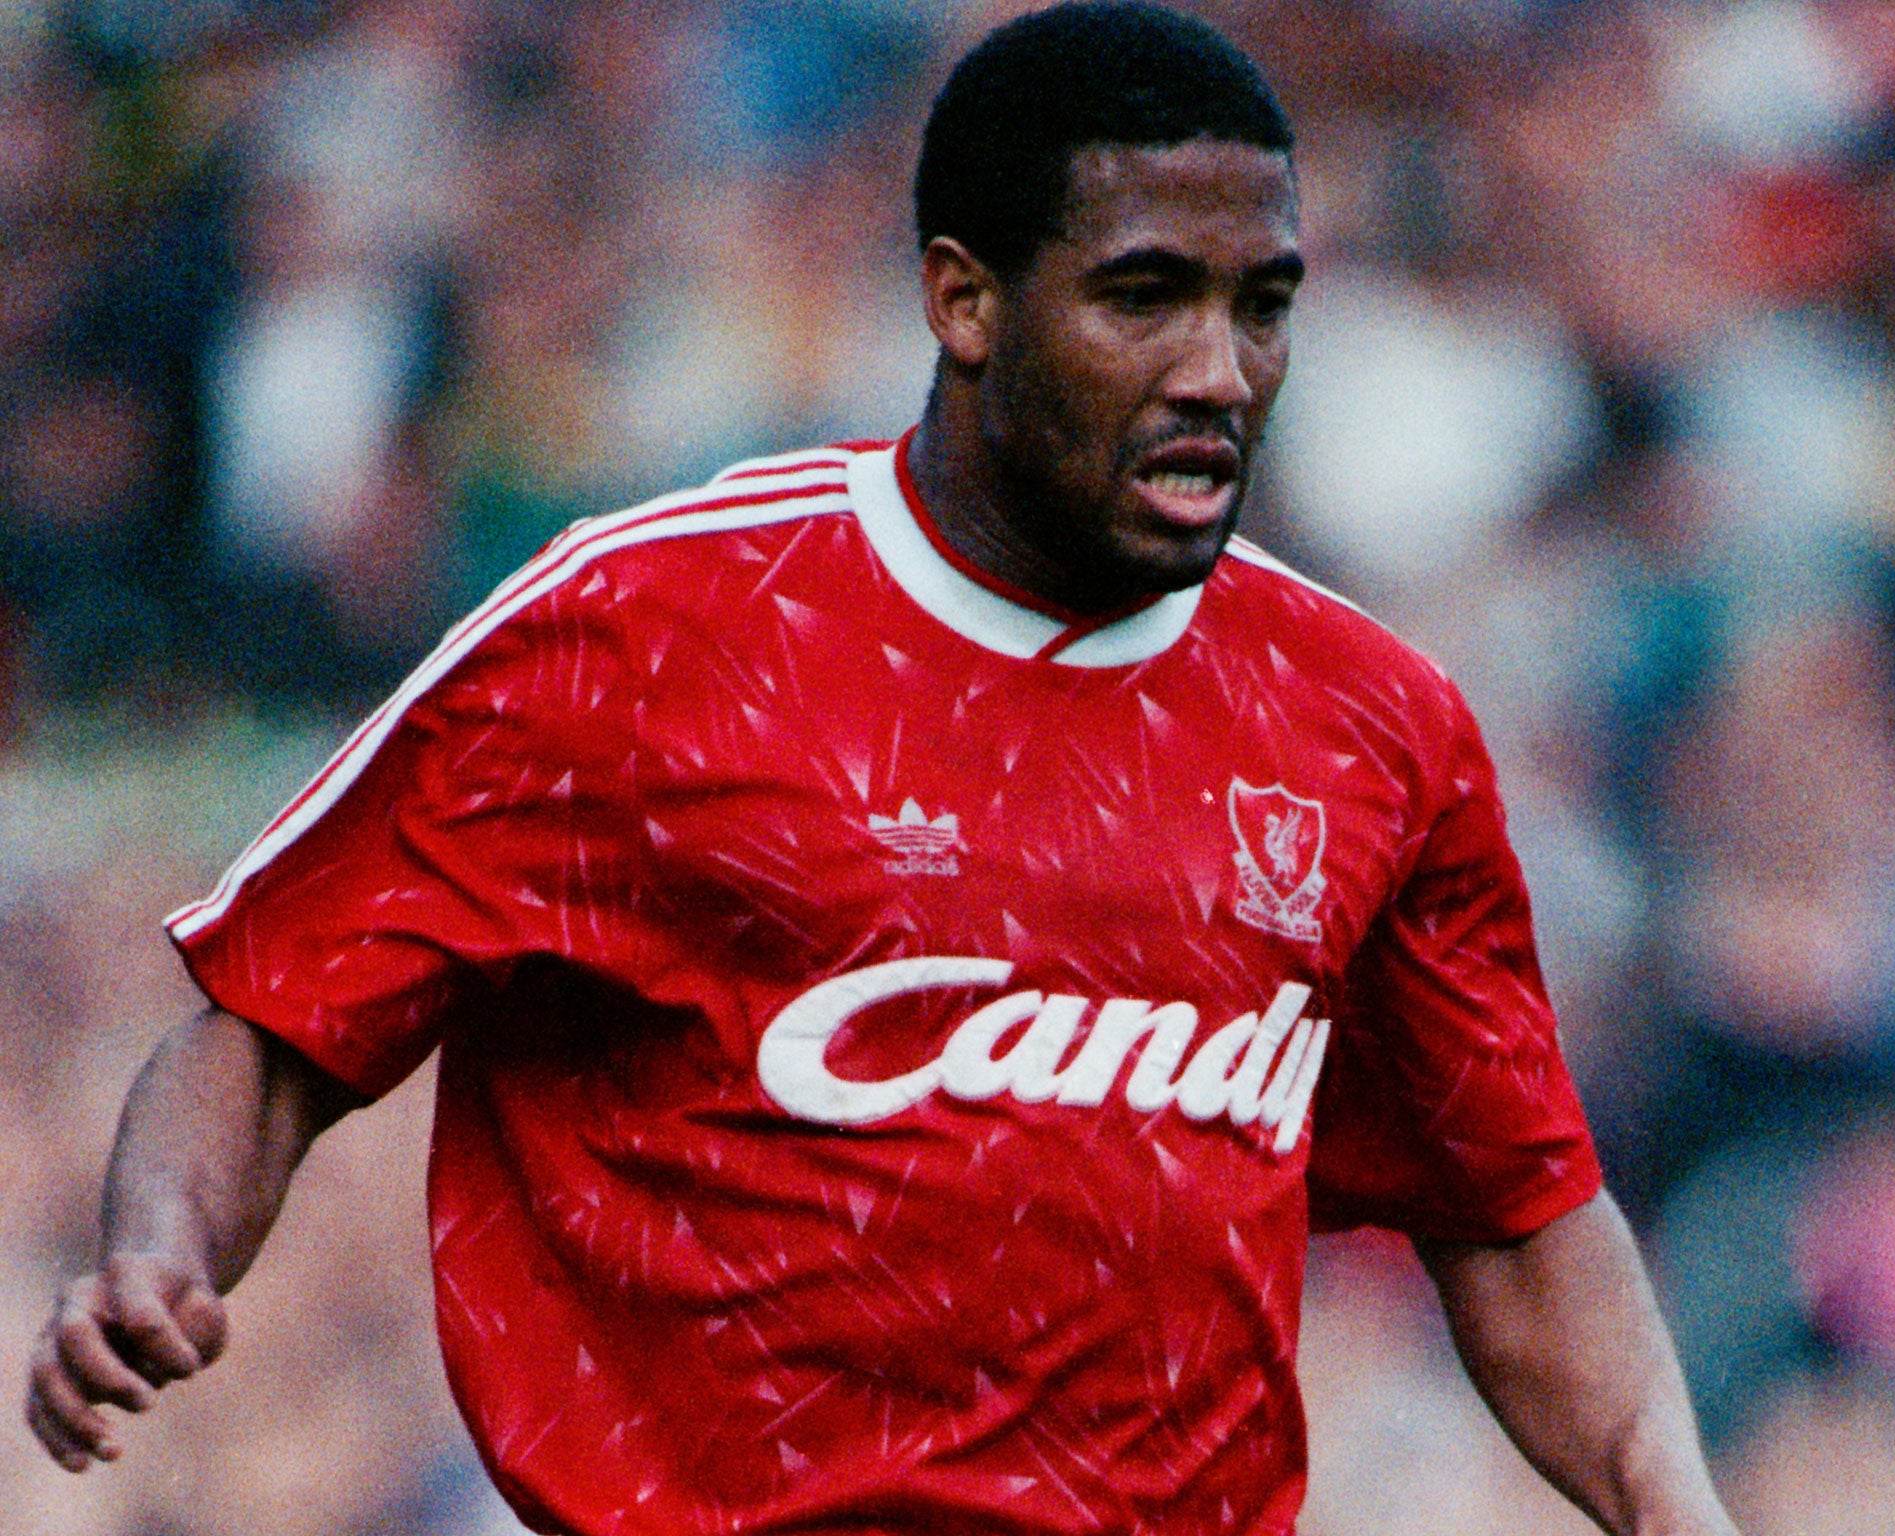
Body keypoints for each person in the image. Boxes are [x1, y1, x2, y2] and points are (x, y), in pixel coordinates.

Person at [26, 5, 1740, 1533]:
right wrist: (161, 1255)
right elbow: (274, 1018)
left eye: (1261, 303)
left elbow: (1516, 1209)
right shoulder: (647, 624)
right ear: (965, 297)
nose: (1218, 370)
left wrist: (1674, 1505)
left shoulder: (1374, 723)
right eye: (1146, 296)